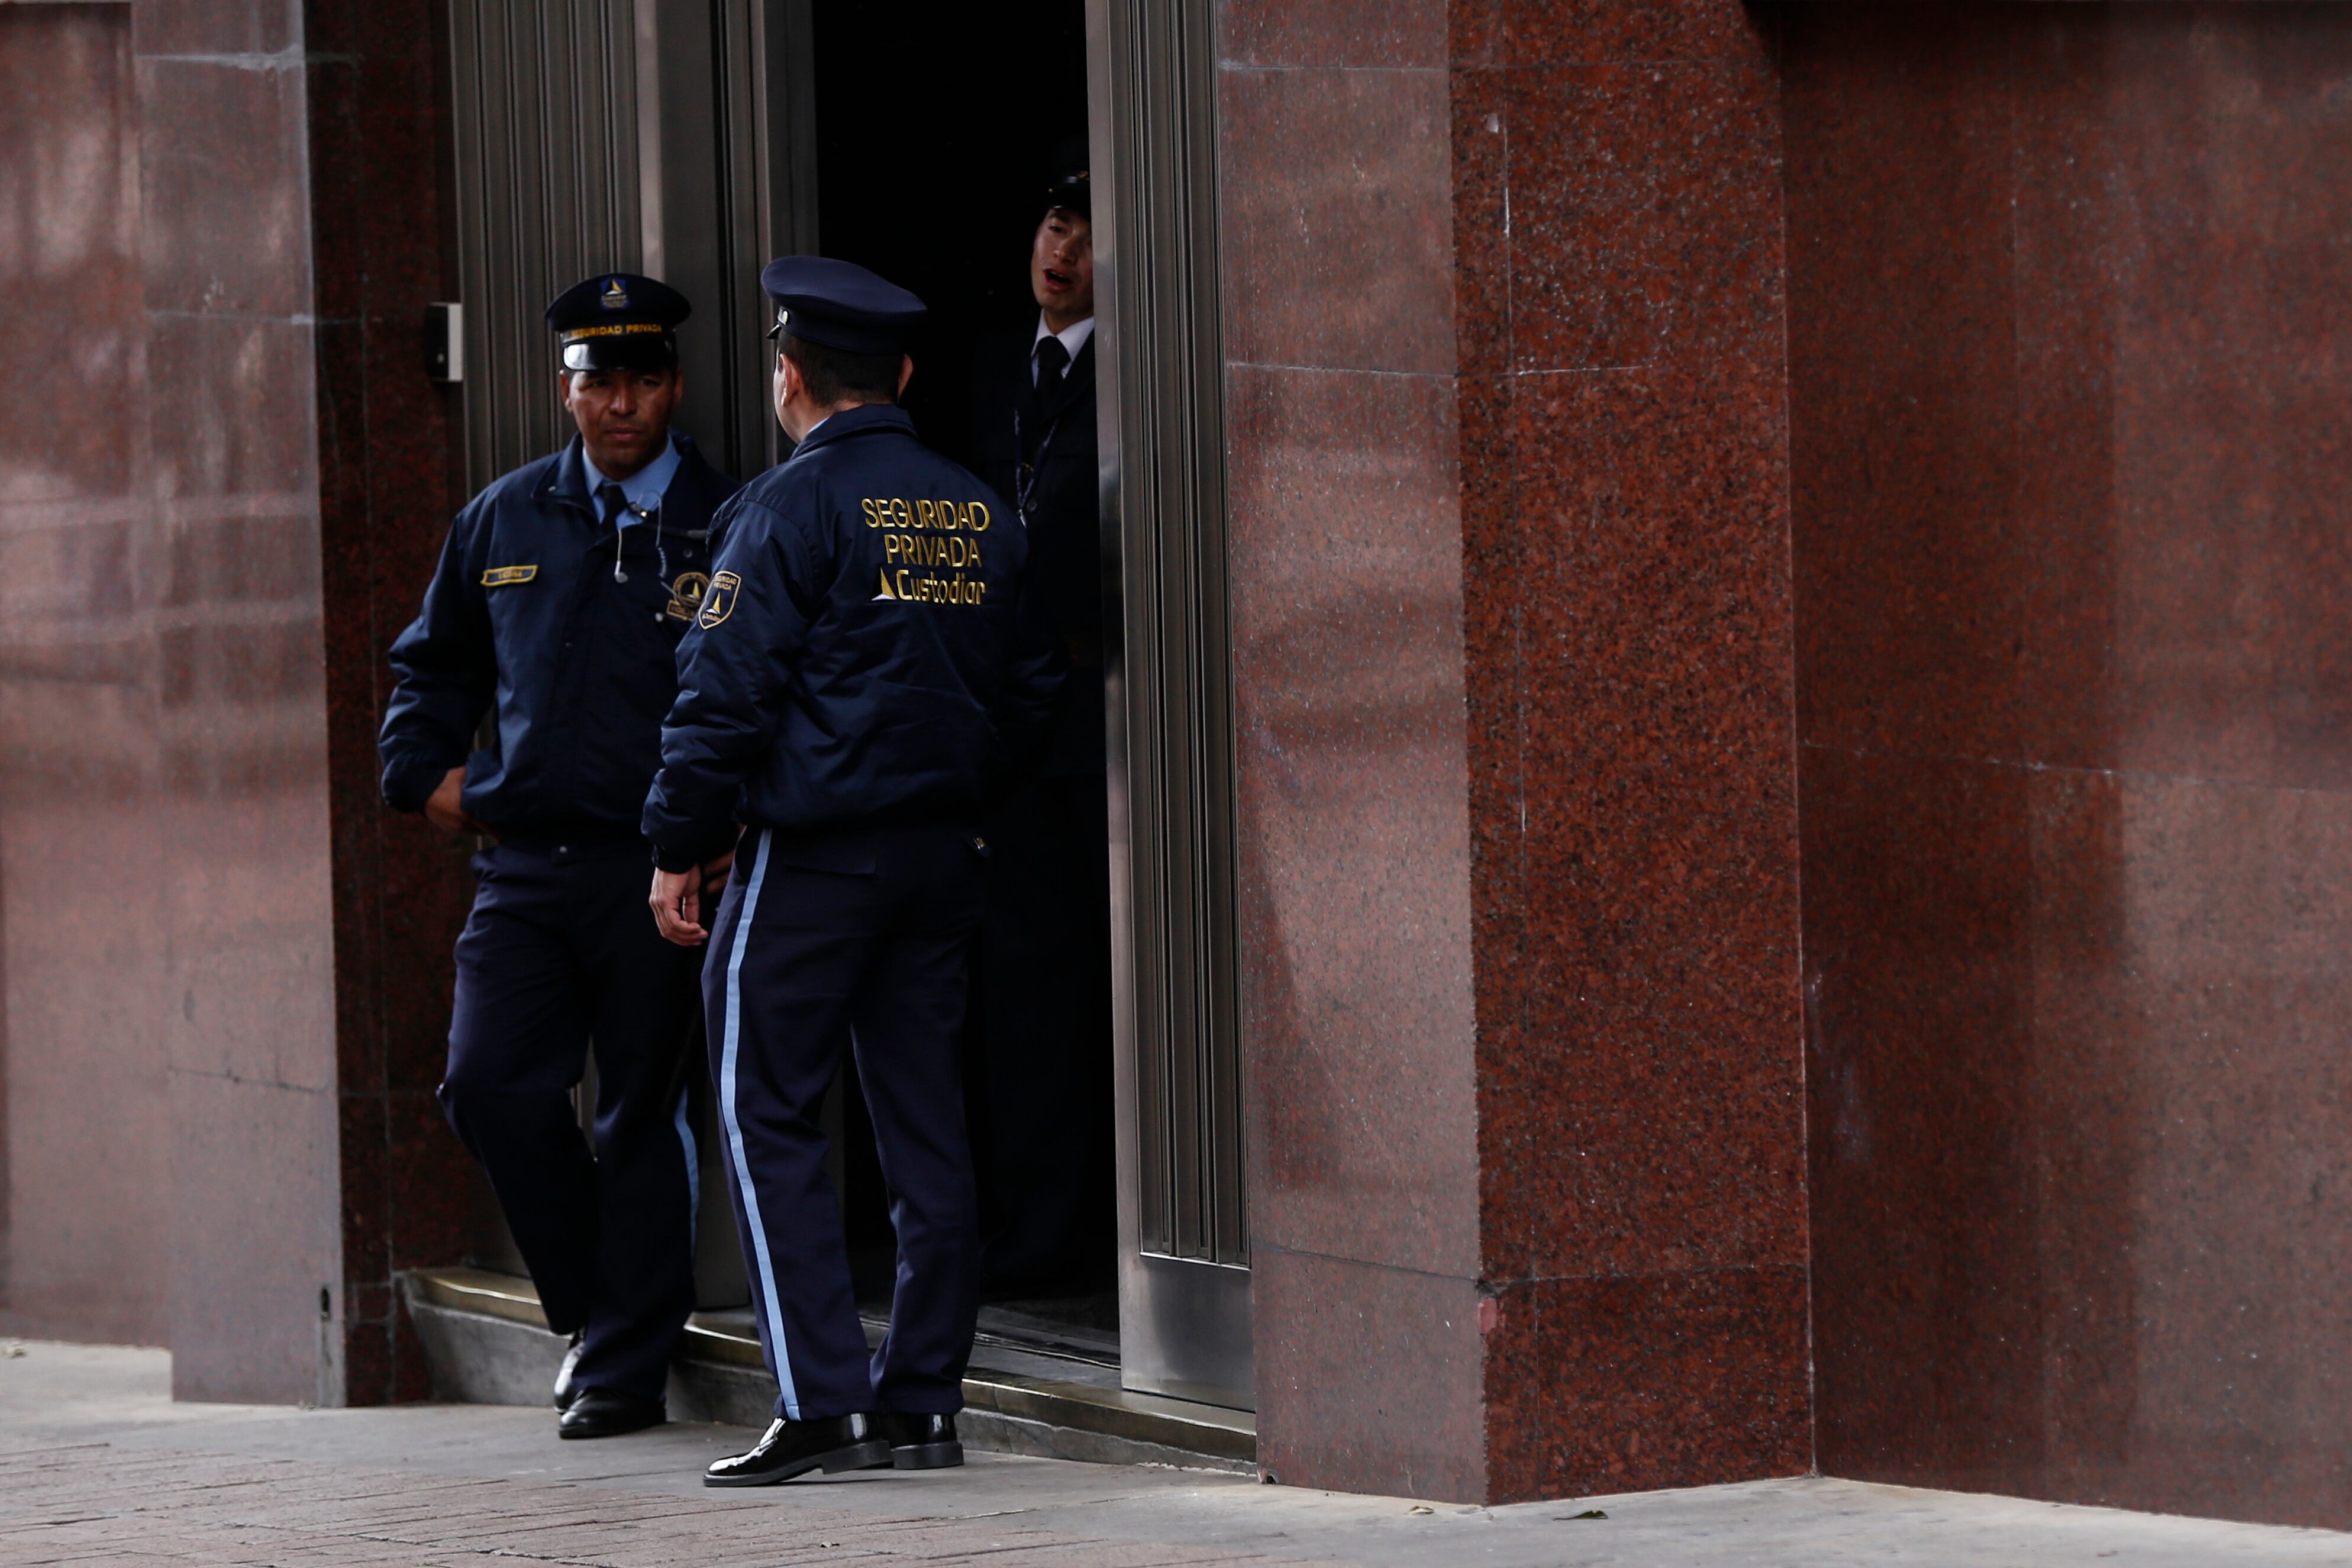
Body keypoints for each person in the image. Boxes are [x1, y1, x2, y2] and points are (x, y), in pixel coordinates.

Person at [641, 256, 1064, 1487]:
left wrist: (679, 839)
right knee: (927, 1124)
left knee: (759, 1105)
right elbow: (1036, 687)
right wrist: (956, 787)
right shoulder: (979, 509)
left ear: (789, 376)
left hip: (813, 856)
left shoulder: (786, 507)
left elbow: (721, 692)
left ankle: (822, 1400)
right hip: (941, 855)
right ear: (905, 375)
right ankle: (923, 1399)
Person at [378, 272, 739, 1441]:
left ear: (674, 386)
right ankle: (596, 1308)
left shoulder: (728, 519)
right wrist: (423, 773)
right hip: (524, 865)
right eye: (600, 381)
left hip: (660, 873)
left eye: (643, 380)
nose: (621, 404)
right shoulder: (506, 515)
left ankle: (621, 1368)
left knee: (639, 1115)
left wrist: (730, 825)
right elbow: (434, 663)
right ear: (566, 388)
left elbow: (771, 686)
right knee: (487, 1084)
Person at [962, 150, 1114, 1296]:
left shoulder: (1130, 379)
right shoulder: (990, 375)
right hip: (1001, 738)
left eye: (1090, 232)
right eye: (1057, 221)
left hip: (1099, 730)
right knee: (1013, 992)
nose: (1065, 250)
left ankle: (1085, 1228)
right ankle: (1024, 1228)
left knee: (1086, 987)